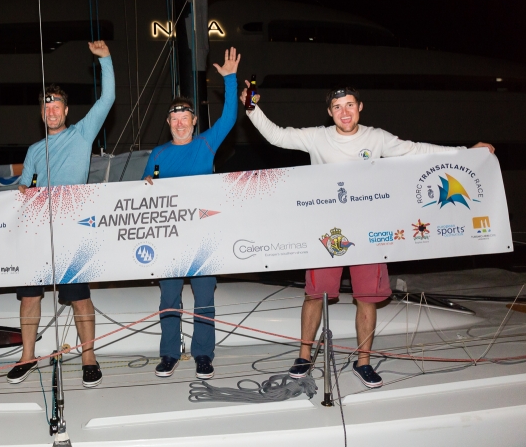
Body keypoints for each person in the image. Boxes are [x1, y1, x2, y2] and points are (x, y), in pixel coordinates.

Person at [241, 84, 495, 388]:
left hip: (369, 230)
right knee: (315, 294)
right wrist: (252, 107)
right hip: (327, 231)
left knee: (367, 298)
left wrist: (468, 153)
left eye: (349, 105)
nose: (344, 112)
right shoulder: (317, 137)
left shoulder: (376, 138)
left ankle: (363, 362)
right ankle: (304, 356)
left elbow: (417, 150)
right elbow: (277, 135)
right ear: (329, 112)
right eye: (337, 107)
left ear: (360, 107)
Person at [7, 40, 114, 388]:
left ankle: (89, 357)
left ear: (66, 111)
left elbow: (108, 98)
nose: (51, 112)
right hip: (39, 232)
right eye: (46, 107)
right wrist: (23, 190)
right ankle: (27, 356)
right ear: (42, 113)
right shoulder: (34, 149)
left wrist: (105, 61)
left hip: (72, 230)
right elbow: (24, 187)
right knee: (29, 297)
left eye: (56, 107)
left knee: (80, 298)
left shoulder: (82, 134)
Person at [143, 47, 241, 380]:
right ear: (169, 122)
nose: (181, 122)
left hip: (203, 238)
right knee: (169, 299)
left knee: (204, 299)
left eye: (186, 117)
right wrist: (145, 184)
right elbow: (147, 194)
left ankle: (202, 354)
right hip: (169, 240)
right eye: (175, 118)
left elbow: (229, 117)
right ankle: (169, 353)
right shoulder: (157, 153)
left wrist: (229, 79)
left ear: (194, 121)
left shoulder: (206, 145)